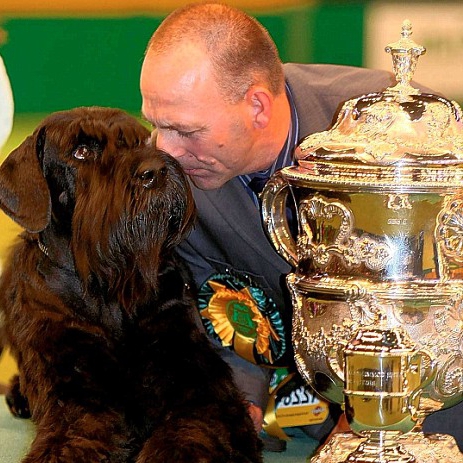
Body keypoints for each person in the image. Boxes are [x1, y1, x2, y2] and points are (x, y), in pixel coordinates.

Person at [140, 1, 463, 452]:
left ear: (256, 105)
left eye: (185, 130)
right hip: (309, 405)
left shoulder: (393, 132)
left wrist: (374, 417)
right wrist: (228, 408)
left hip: (438, 400)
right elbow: (215, 308)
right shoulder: (177, 179)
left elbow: (439, 316)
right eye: (156, 125)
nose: (165, 151)